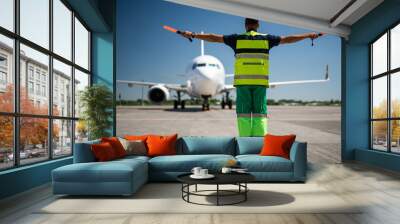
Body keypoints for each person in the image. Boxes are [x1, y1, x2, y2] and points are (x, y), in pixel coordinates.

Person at [179, 18, 323, 137]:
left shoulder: (237, 39)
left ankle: (245, 143)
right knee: (260, 113)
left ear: (246, 25)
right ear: (258, 25)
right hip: (260, 83)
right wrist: (307, 35)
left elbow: (213, 37)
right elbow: (288, 39)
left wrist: (193, 35)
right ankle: (259, 144)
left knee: (244, 114)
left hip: (243, 83)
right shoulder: (267, 39)